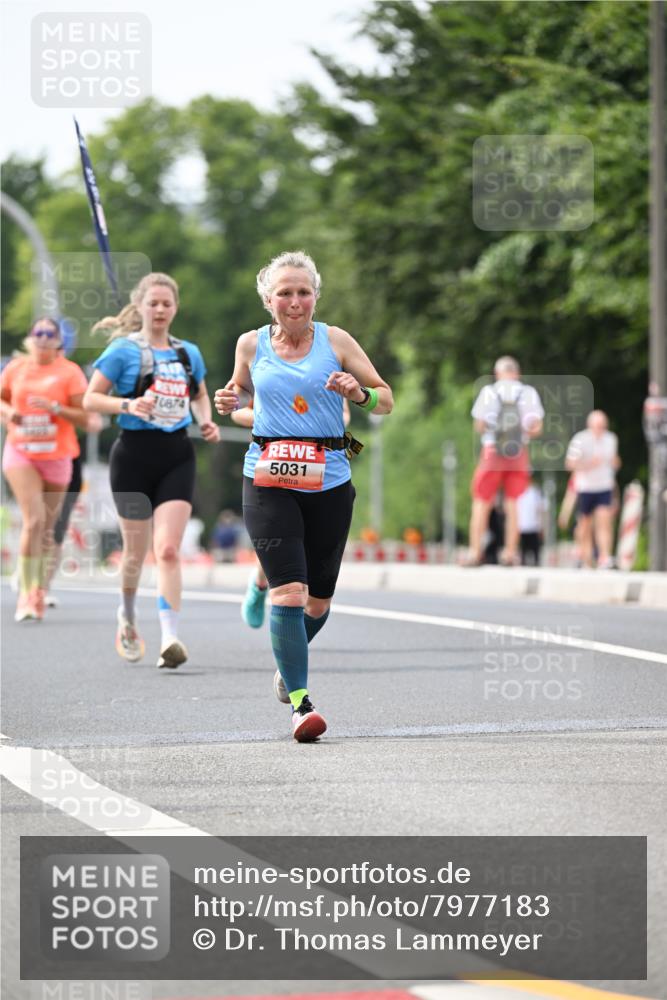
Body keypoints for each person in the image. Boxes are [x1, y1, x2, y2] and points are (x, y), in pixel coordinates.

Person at [214, 250, 393, 742]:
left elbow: (386, 400)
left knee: (317, 604)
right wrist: (229, 399)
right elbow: (237, 396)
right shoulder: (250, 344)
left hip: (328, 479)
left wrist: (359, 393)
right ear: (268, 300)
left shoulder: (336, 341)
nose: (295, 301)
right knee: (289, 593)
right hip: (267, 477)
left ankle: (287, 660)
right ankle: (301, 704)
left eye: (303, 292)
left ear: (315, 296)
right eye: (284, 293)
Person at [83, 272, 220, 668]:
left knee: (169, 549)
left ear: (176, 308)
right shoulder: (123, 351)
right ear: (140, 306)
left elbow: (199, 394)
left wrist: (206, 420)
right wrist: (129, 405)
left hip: (177, 456)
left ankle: (169, 638)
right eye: (153, 303)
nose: (160, 310)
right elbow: (91, 399)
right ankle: (127, 616)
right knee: (135, 552)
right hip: (132, 458)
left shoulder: (187, 353)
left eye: (167, 304)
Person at [230, 396, 351, 628]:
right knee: (281, 546)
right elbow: (237, 412)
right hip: (274, 467)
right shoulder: (265, 373)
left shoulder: (328, 374)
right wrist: (279, 420)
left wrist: (317, 423)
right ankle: (259, 584)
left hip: (317, 470)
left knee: (303, 550)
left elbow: (343, 415)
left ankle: (290, 639)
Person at [0, 317, 88, 621]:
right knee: (33, 521)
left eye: (50, 333)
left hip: (58, 456)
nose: (43, 338)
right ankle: (26, 596)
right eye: (38, 332)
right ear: (29, 337)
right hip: (21, 451)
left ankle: (38, 589)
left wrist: (56, 409)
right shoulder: (16, 368)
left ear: (59, 341)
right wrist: (9, 412)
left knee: (48, 531)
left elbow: (85, 417)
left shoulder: (70, 372)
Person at [468, 356, 544, 566]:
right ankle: (510, 553)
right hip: (518, 452)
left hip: (492, 451)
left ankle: (475, 552)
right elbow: (537, 428)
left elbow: (479, 425)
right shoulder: (528, 393)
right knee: (513, 503)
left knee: (482, 501)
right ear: (517, 373)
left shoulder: (489, 391)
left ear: (497, 373)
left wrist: (496, 430)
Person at [565, 410, 621, 569]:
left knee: (604, 521)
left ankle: (605, 557)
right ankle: (586, 558)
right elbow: (569, 464)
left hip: (604, 486)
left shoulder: (611, 439)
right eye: (597, 426)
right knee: (585, 525)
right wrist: (589, 464)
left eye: (603, 426)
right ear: (590, 425)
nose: (600, 429)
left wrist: (615, 463)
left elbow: (615, 462)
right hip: (585, 487)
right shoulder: (580, 439)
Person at [516, 480, 544, 566]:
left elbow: (540, 510)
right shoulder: (517, 492)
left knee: (536, 554)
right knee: (523, 554)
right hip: (522, 527)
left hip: (534, 527)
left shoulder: (535, 493)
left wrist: (541, 526)